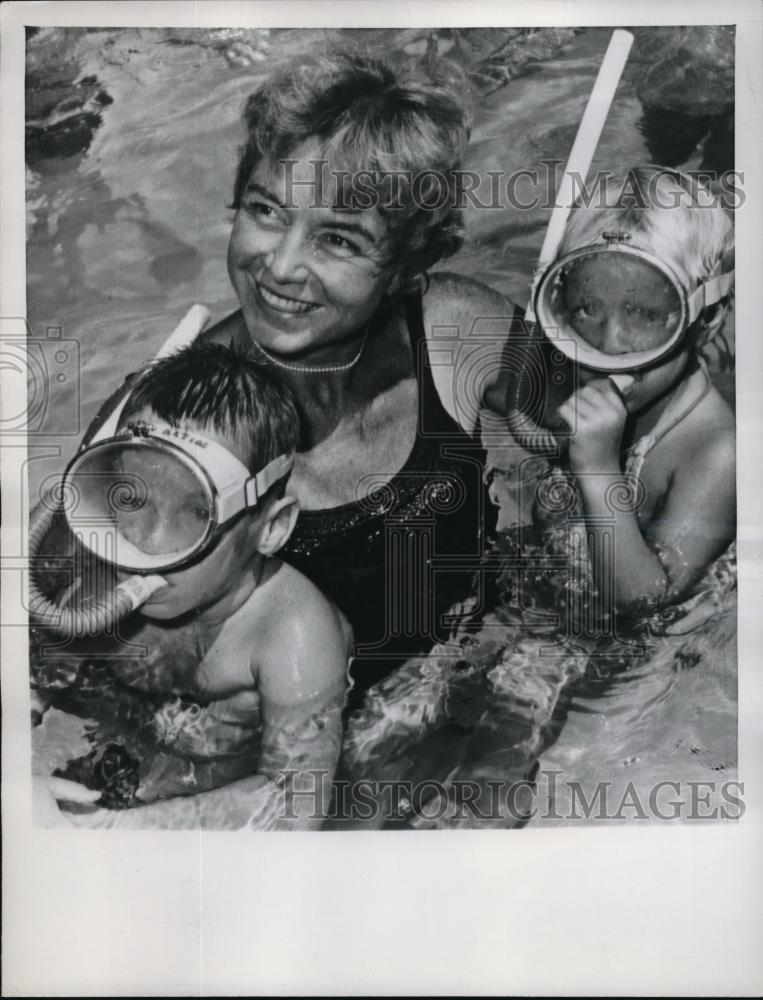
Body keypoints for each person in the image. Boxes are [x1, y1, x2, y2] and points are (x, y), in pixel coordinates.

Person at [198, 47, 512, 700]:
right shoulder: (184, 419)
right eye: (265, 211)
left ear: (405, 265)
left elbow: (600, 443)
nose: (280, 267)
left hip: (481, 670)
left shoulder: (455, 329)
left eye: (337, 239)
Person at [34, 341, 351, 829]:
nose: (147, 544)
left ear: (271, 527)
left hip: (217, 787)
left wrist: (109, 832)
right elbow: (31, 683)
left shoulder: (292, 634)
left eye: (196, 512)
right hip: (121, 741)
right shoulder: (94, 576)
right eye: (131, 498)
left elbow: (298, 799)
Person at [516, 166, 736, 619]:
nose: (607, 342)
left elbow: (646, 601)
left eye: (642, 312)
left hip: (645, 656)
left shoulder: (717, 454)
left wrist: (597, 469)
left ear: (706, 318)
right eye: (587, 308)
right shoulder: (573, 381)